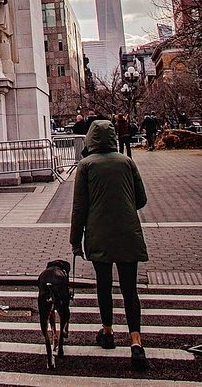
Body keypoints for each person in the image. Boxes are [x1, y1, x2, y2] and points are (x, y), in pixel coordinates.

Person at [70, 119, 149, 372]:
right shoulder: (126, 162)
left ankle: (107, 331)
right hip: (128, 233)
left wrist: (75, 240)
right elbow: (141, 199)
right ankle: (136, 341)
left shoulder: (86, 166)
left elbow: (79, 208)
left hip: (98, 233)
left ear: (90, 139)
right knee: (129, 289)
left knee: (104, 286)